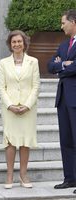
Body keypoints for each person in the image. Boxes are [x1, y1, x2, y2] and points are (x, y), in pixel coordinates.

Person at [0, 30, 40, 189]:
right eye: (14, 42)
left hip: (28, 108)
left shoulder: (33, 62)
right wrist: (10, 105)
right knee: (10, 141)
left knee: (25, 141)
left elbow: (36, 86)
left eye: (19, 41)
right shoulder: (3, 63)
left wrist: (27, 105)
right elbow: (2, 87)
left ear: (24, 43)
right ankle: (9, 174)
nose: (17, 44)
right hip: (10, 109)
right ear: (10, 44)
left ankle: (23, 174)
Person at [48, 9, 76, 194]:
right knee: (66, 140)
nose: (61, 26)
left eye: (63, 22)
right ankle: (70, 178)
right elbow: (50, 66)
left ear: (73, 22)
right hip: (63, 99)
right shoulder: (63, 45)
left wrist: (62, 65)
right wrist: (64, 64)